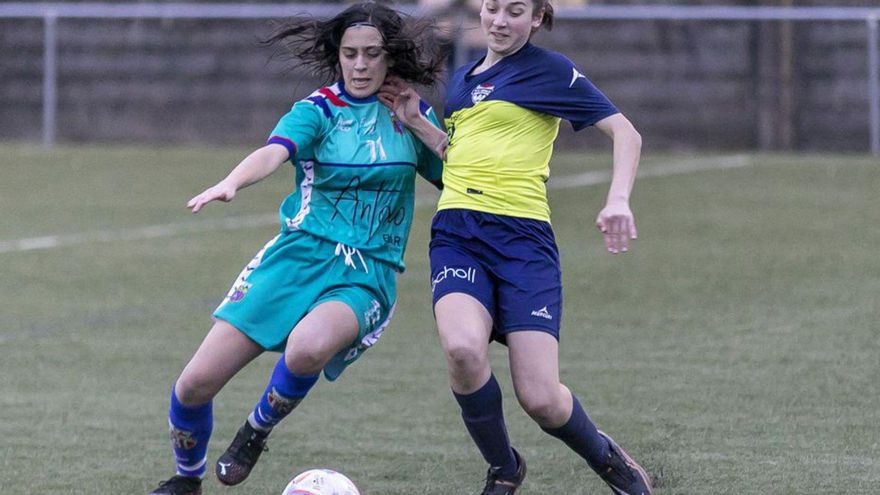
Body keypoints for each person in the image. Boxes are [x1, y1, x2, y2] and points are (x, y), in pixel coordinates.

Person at [147, 4, 447, 494]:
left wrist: (420, 125)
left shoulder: (411, 115)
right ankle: (186, 481)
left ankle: (255, 432)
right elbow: (275, 150)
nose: (361, 65)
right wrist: (232, 181)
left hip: (366, 272)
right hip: (295, 257)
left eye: (372, 54)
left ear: (390, 57)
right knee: (193, 385)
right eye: (350, 53)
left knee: (309, 347)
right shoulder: (318, 110)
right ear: (338, 56)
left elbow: (459, 180)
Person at [379, 0, 652, 494]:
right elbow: (456, 154)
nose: (500, 21)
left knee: (542, 398)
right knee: (462, 349)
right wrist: (417, 121)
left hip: (524, 242)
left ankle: (608, 459)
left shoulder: (551, 71)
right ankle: (505, 468)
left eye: (515, 11)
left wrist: (618, 200)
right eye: (492, 8)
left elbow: (626, 133)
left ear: (537, 18)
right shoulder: (462, 78)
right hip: (458, 233)